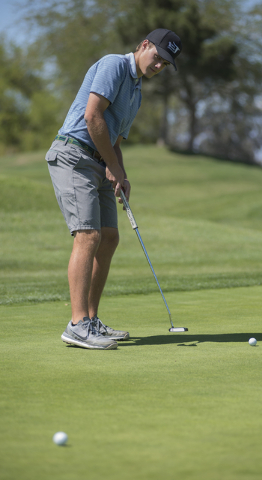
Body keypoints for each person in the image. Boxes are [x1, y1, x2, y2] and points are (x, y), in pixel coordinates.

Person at [45, 28, 182, 350]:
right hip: (74, 155)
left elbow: (115, 139)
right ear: (144, 45)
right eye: (157, 58)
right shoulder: (114, 65)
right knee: (88, 235)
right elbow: (92, 117)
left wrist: (121, 174)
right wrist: (114, 166)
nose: (159, 66)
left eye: (165, 64)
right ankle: (77, 324)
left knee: (109, 236)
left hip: (99, 159)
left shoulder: (136, 92)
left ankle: (91, 320)